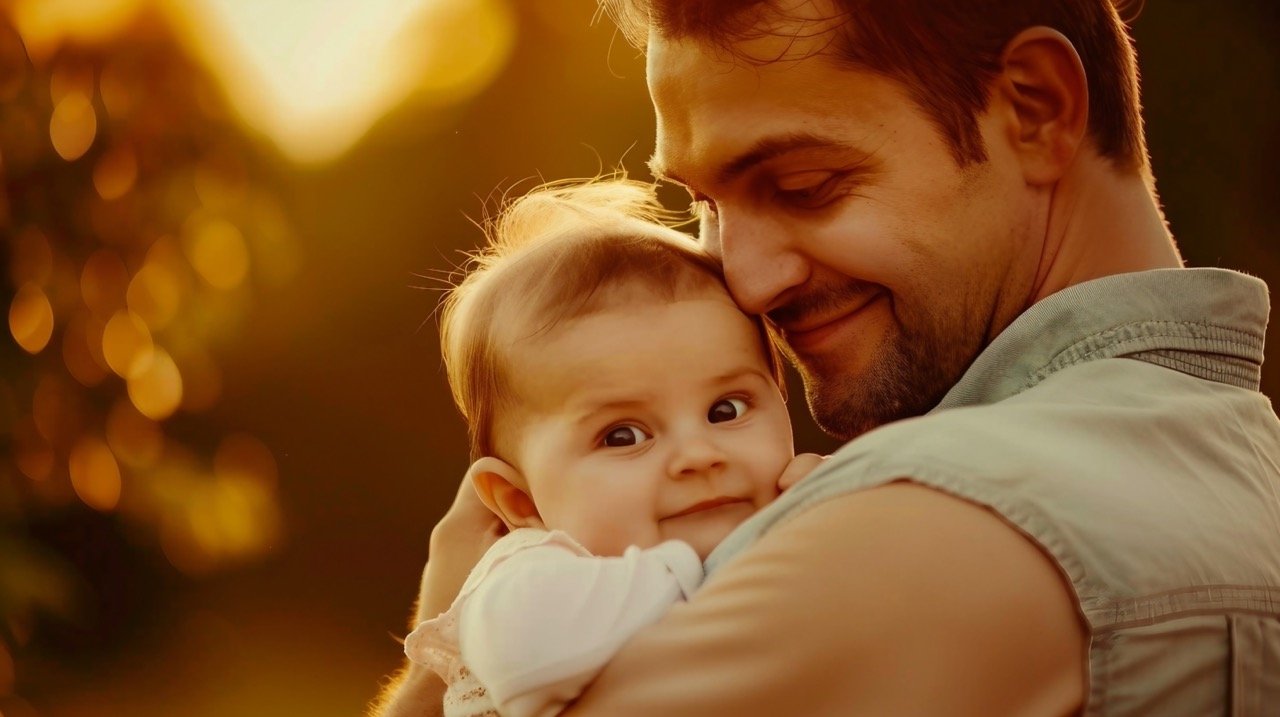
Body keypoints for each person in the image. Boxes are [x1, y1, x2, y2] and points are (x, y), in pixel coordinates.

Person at [372, 1, 1280, 715]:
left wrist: (440, 652)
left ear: (1034, 109)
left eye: (805, 186)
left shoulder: (921, 522)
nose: (747, 280)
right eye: (707, 205)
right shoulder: (1245, 469)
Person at [401, 178, 820, 716]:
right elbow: (539, 661)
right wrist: (797, 538)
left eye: (727, 410)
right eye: (623, 436)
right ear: (519, 503)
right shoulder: (526, 580)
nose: (698, 454)